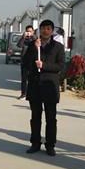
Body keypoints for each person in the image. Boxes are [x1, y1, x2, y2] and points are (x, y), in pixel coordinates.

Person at [22, 20, 65, 156]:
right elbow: (25, 63)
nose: (45, 31)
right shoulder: (33, 45)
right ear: (39, 30)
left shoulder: (58, 47)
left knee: (51, 118)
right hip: (35, 85)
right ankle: (35, 143)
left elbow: (60, 66)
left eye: (48, 29)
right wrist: (34, 48)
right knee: (35, 117)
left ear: (52, 31)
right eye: (43, 28)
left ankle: (50, 145)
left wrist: (44, 65)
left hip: (50, 87)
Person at [17, 25, 36, 100]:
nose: (29, 33)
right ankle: (23, 94)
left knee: (32, 79)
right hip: (24, 61)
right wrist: (23, 37)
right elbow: (19, 45)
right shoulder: (24, 39)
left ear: (33, 31)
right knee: (24, 79)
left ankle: (32, 94)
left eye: (30, 31)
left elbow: (37, 45)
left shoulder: (35, 38)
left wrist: (32, 36)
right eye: (27, 31)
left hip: (33, 62)